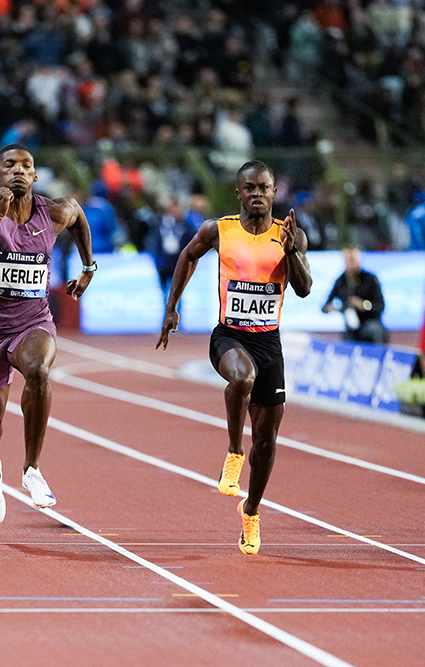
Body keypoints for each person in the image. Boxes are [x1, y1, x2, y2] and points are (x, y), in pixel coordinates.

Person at [156, 161, 312, 555]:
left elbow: (305, 288)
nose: (257, 194)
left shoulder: (288, 234)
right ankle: (232, 452)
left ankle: (253, 511)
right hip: (229, 336)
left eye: (265, 188)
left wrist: (292, 251)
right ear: (238, 192)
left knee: (268, 442)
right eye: (250, 188)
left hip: (268, 342)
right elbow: (187, 257)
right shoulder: (218, 229)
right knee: (240, 378)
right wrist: (172, 306)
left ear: (274, 193)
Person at [0, 145, 94, 522]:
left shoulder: (54, 212)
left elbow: (79, 215)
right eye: (10, 165)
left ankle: (32, 469)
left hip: (32, 321)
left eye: (26, 166)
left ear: (35, 176)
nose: (18, 170)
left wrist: (88, 265)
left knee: (38, 369)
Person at [322, 247, 387, 344]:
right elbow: (325, 307)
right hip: (351, 326)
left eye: (353, 260)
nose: (351, 264)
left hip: (370, 321)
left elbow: (380, 306)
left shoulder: (370, 279)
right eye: (349, 260)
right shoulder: (340, 281)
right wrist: (332, 308)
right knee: (347, 338)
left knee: (372, 330)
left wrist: (363, 305)